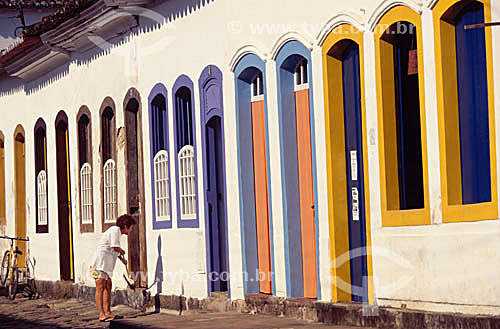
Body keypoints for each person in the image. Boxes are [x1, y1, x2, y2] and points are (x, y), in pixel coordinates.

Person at [90, 214, 136, 322]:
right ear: (125, 226)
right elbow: (114, 247)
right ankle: (102, 314)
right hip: (100, 263)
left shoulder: (117, 233)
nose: (131, 230)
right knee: (100, 287)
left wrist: (121, 258)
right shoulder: (115, 230)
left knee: (108, 286)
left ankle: (108, 312)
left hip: (106, 264)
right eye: (131, 227)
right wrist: (122, 251)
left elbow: (113, 249)